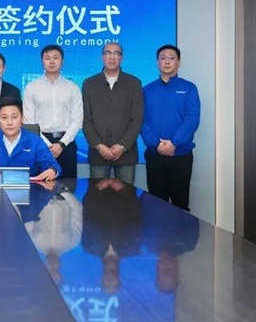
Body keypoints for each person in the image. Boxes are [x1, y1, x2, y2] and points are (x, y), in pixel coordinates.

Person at [141, 44, 200, 211]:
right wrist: (157, 144)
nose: (167, 62)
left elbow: (192, 119)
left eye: (171, 58)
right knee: (157, 206)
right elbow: (142, 121)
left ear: (178, 62)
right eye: (163, 58)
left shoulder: (189, 88)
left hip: (180, 155)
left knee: (180, 205)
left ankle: (181, 231)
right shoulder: (147, 90)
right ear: (157, 62)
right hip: (155, 155)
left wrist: (174, 143)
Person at [82, 43, 143, 185]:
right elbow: (85, 119)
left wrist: (122, 146)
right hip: (98, 154)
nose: (112, 57)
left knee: (125, 196)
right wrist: (99, 145)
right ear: (102, 57)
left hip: (126, 154)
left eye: (116, 53)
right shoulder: (90, 83)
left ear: (122, 58)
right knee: (98, 196)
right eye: (108, 53)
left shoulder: (134, 83)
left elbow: (137, 119)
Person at [23, 44, 83, 178]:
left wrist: (61, 144)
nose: (51, 61)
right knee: (41, 185)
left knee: (68, 186)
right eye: (47, 58)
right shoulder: (31, 88)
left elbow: (77, 120)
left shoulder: (73, 88)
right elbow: (29, 121)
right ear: (42, 62)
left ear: (62, 61)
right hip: (39, 143)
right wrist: (47, 145)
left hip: (67, 143)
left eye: (56, 58)